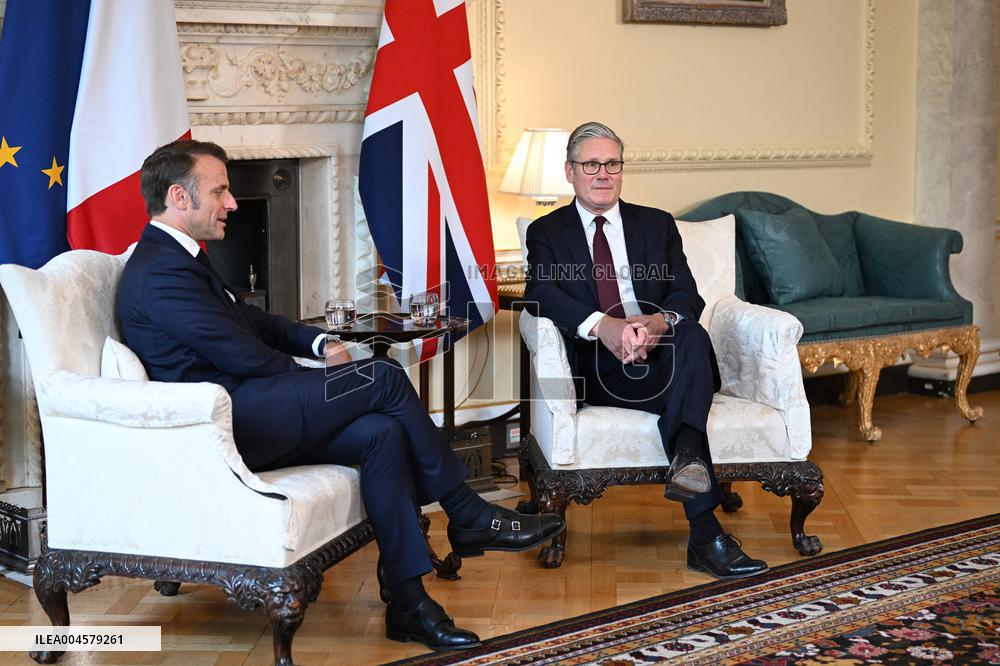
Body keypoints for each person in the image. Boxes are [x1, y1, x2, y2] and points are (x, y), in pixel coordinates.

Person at [116, 138, 563, 651]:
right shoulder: (160, 272)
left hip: (255, 404)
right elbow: (242, 354)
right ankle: (466, 512)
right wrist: (321, 382)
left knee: (381, 432)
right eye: (220, 191)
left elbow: (254, 322)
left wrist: (322, 342)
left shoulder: (183, 259)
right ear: (178, 196)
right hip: (229, 422)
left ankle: (409, 604)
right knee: (383, 378)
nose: (233, 203)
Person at [523, 121, 767, 579]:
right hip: (602, 367)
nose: (602, 173)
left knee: (690, 333)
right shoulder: (547, 232)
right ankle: (705, 533)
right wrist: (605, 327)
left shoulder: (656, 223)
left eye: (612, 163)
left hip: (669, 356)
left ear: (621, 170)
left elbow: (687, 295)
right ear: (570, 172)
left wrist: (657, 323)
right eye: (590, 164)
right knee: (686, 387)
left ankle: (690, 467)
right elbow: (543, 292)